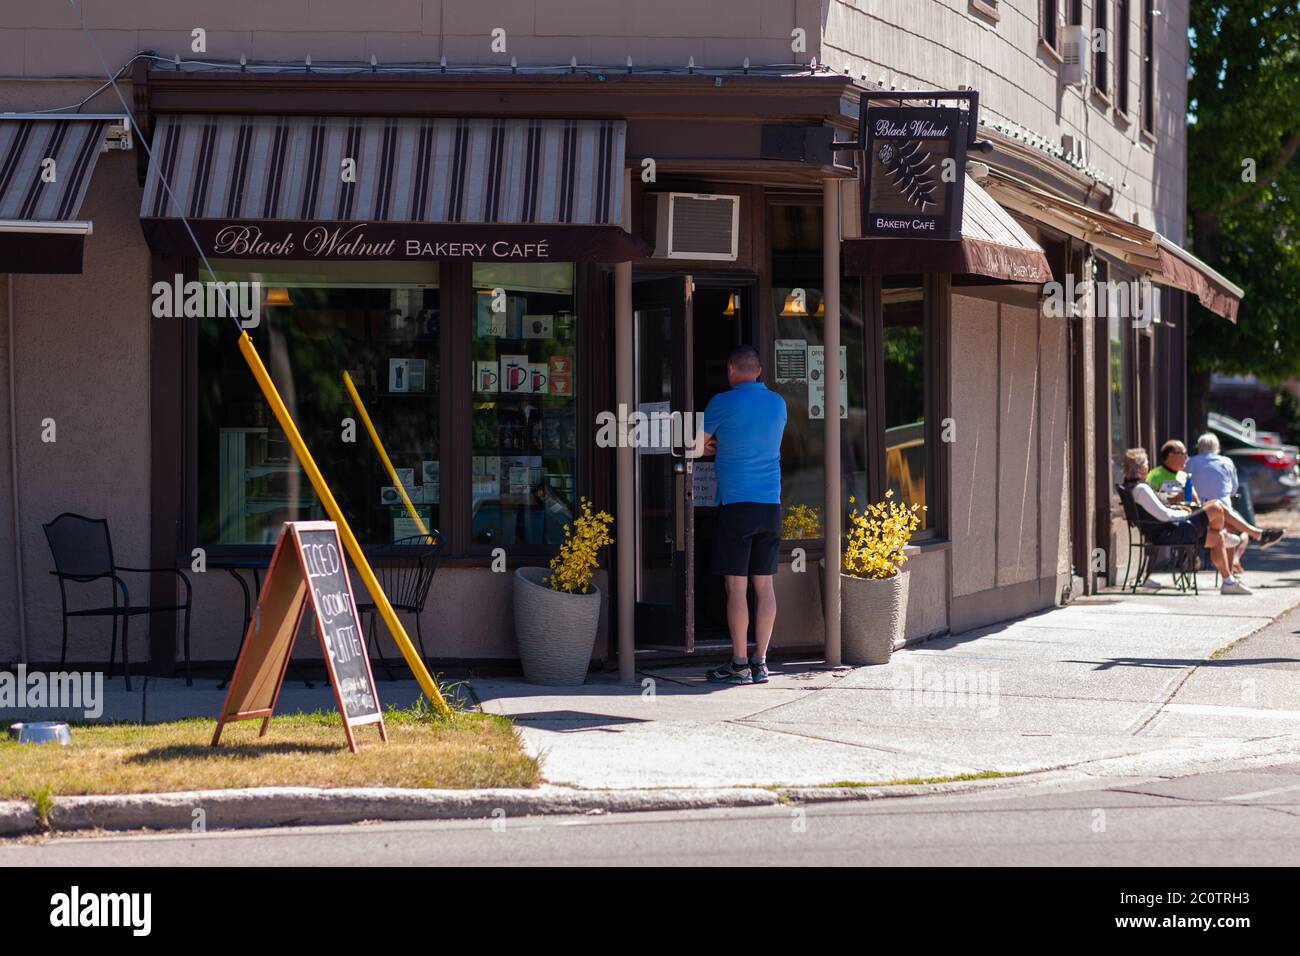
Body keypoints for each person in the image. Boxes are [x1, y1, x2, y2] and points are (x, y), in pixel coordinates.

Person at [695, 344, 787, 685]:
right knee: (765, 586)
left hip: (736, 504)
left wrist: (714, 446)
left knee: (735, 588)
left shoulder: (722, 402)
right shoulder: (778, 403)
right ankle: (761, 663)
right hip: (770, 503)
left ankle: (738, 664)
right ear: (759, 371)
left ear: (731, 371)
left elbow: (693, 444)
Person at [1121, 448, 1282, 595]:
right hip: (1168, 533)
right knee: (1216, 507)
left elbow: (1159, 513)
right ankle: (1256, 534)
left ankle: (1228, 582)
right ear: (1142, 468)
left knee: (1216, 537)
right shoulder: (1141, 489)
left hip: (1167, 531)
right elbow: (1163, 515)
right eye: (1147, 464)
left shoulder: (1134, 488)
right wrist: (1182, 513)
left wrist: (1178, 511)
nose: (1148, 468)